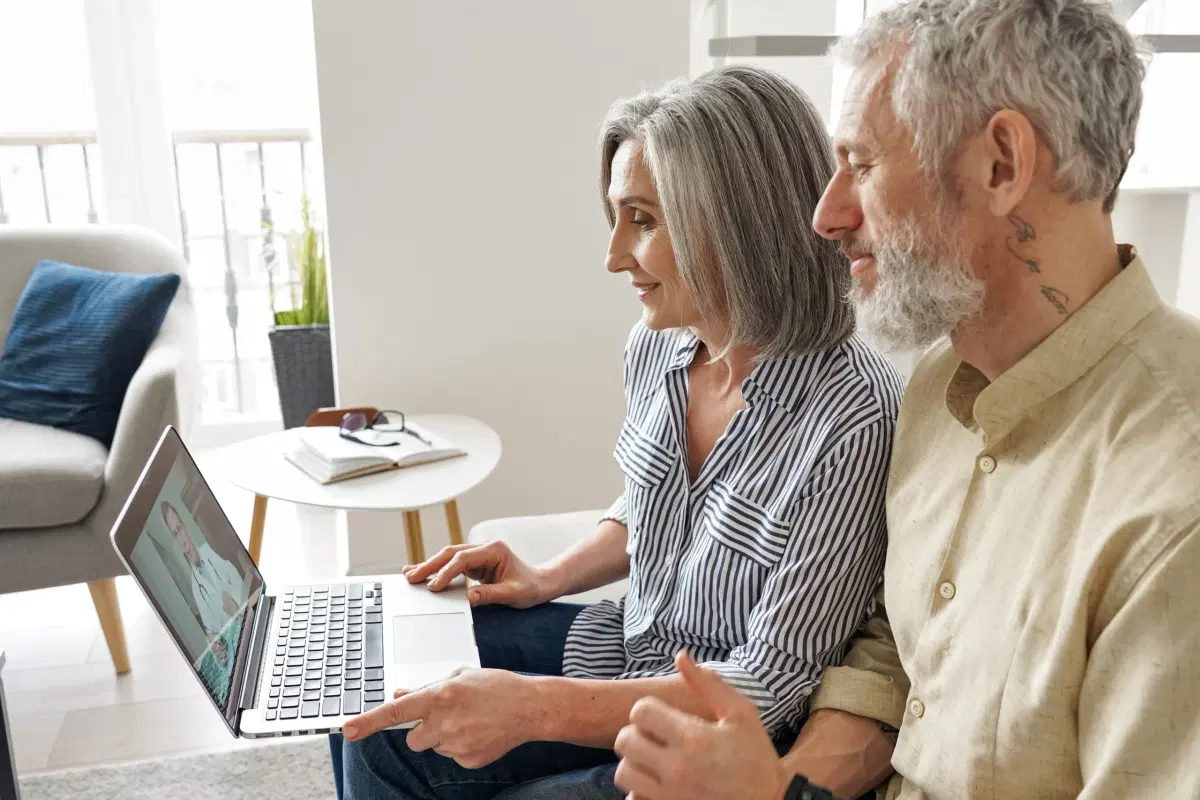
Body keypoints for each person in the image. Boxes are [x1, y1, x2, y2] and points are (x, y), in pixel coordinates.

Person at [612, 1, 1200, 798]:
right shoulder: (934, 388)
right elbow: (900, 648)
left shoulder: (1172, 512)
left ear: (1001, 165)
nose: (825, 216)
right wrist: (784, 785)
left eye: (859, 164)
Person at [330, 64, 905, 800]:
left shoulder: (853, 417)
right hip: (626, 648)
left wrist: (531, 709)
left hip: (718, 737)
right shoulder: (659, 345)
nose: (612, 257)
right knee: (373, 693)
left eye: (641, 220)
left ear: (734, 222)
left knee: (430, 751)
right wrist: (550, 577)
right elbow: (652, 502)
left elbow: (769, 685)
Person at [161, 500, 247, 641]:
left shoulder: (211, 549)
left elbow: (238, 575)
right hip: (237, 639)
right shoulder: (196, 588)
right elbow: (211, 630)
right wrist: (212, 639)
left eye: (179, 529)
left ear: (185, 526)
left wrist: (235, 601)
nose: (182, 540)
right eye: (175, 535)